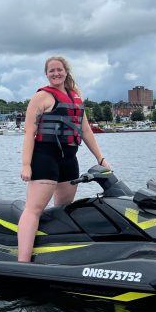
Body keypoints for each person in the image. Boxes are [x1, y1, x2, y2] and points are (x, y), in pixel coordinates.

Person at [18, 56, 111, 262]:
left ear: (66, 71)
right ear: (46, 74)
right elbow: (29, 132)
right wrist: (26, 165)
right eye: (51, 71)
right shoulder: (41, 97)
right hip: (45, 157)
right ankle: (22, 262)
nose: (56, 73)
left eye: (59, 70)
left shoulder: (75, 97)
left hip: (69, 159)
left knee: (62, 211)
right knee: (34, 210)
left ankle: (51, 253)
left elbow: (85, 130)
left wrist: (100, 158)